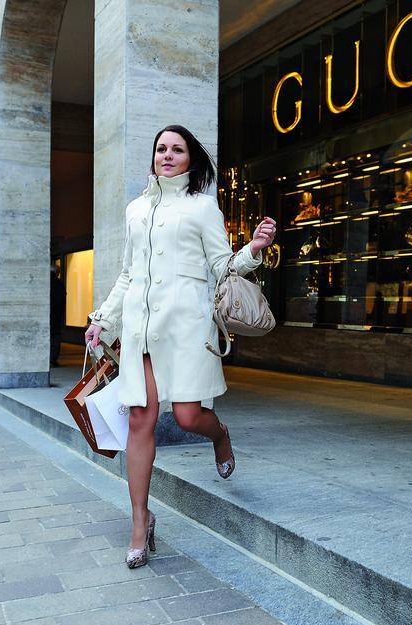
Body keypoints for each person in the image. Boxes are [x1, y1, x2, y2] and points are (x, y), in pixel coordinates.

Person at [84, 124, 277, 568]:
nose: (167, 155)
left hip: (187, 326)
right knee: (140, 418)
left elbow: (223, 266)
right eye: (160, 149)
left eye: (177, 149)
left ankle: (220, 435)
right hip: (140, 330)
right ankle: (139, 521)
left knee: (189, 416)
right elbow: (128, 274)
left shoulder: (203, 207)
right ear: (152, 157)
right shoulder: (136, 210)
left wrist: (254, 248)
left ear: (190, 159)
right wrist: (103, 321)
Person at [50, 264, 66, 367]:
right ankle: (52, 358)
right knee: (55, 335)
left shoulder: (45, 282)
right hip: (56, 314)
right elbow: (61, 300)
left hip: (48, 314)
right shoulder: (59, 283)